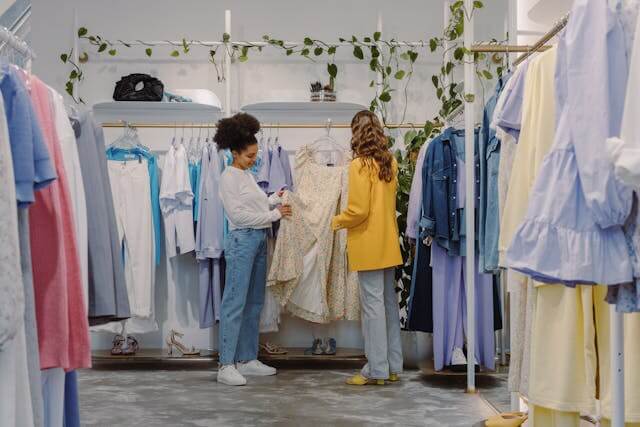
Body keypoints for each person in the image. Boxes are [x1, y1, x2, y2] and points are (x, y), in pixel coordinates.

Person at [215, 113, 292, 386]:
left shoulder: (246, 175)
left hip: (258, 240)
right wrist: (275, 215)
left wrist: (273, 199)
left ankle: (247, 359)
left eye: (255, 155)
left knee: (254, 303)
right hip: (242, 241)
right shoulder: (229, 178)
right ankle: (226, 364)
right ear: (234, 152)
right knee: (234, 303)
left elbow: (255, 207)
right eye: (249, 156)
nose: (254, 159)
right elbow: (238, 216)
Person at [332, 110, 404, 385]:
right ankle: (392, 366)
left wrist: (336, 221)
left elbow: (358, 211)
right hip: (388, 245)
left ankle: (377, 370)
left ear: (356, 133)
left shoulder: (359, 165)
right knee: (387, 306)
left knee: (373, 308)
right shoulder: (390, 162)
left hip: (368, 246)